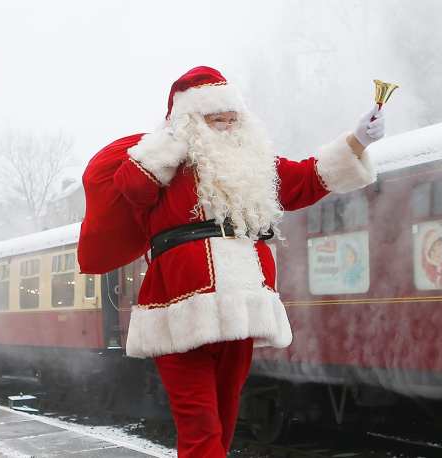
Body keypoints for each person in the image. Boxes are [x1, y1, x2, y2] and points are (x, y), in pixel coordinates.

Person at [112, 66, 382, 457]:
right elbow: (131, 189)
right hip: (179, 309)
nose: (225, 125)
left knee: (223, 420)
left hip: (242, 307)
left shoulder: (254, 165)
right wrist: (171, 139)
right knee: (200, 427)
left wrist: (357, 140)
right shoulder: (166, 165)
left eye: (231, 117)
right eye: (213, 118)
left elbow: (307, 179)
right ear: (189, 120)